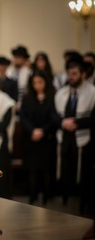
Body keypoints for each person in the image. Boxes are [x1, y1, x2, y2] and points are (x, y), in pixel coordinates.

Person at [53, 59, 95, 207]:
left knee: (83, 172)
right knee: (65, 168)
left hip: (84, 138)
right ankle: (64, 200)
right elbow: (54, 114)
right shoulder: (61, 92)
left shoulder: (92, 92)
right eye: (69, 74)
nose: (71, 77)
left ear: (83, 74)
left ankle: (83, 203)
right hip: (65, 136)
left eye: (75, 74)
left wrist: (76, 123)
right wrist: (63, 123)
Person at [20, 71, 56, 205]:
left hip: (46, 138)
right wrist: (33, 131)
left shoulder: (52, 97)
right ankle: (32, 195)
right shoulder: (27, 98)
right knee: (32, 168)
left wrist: (42, 131)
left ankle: (46, 196)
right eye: (34, 83)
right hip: (31, 138)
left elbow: (53, 118)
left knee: (46, 168)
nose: (37, 85)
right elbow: (23, 117)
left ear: (45, 82)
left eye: (40, 82)